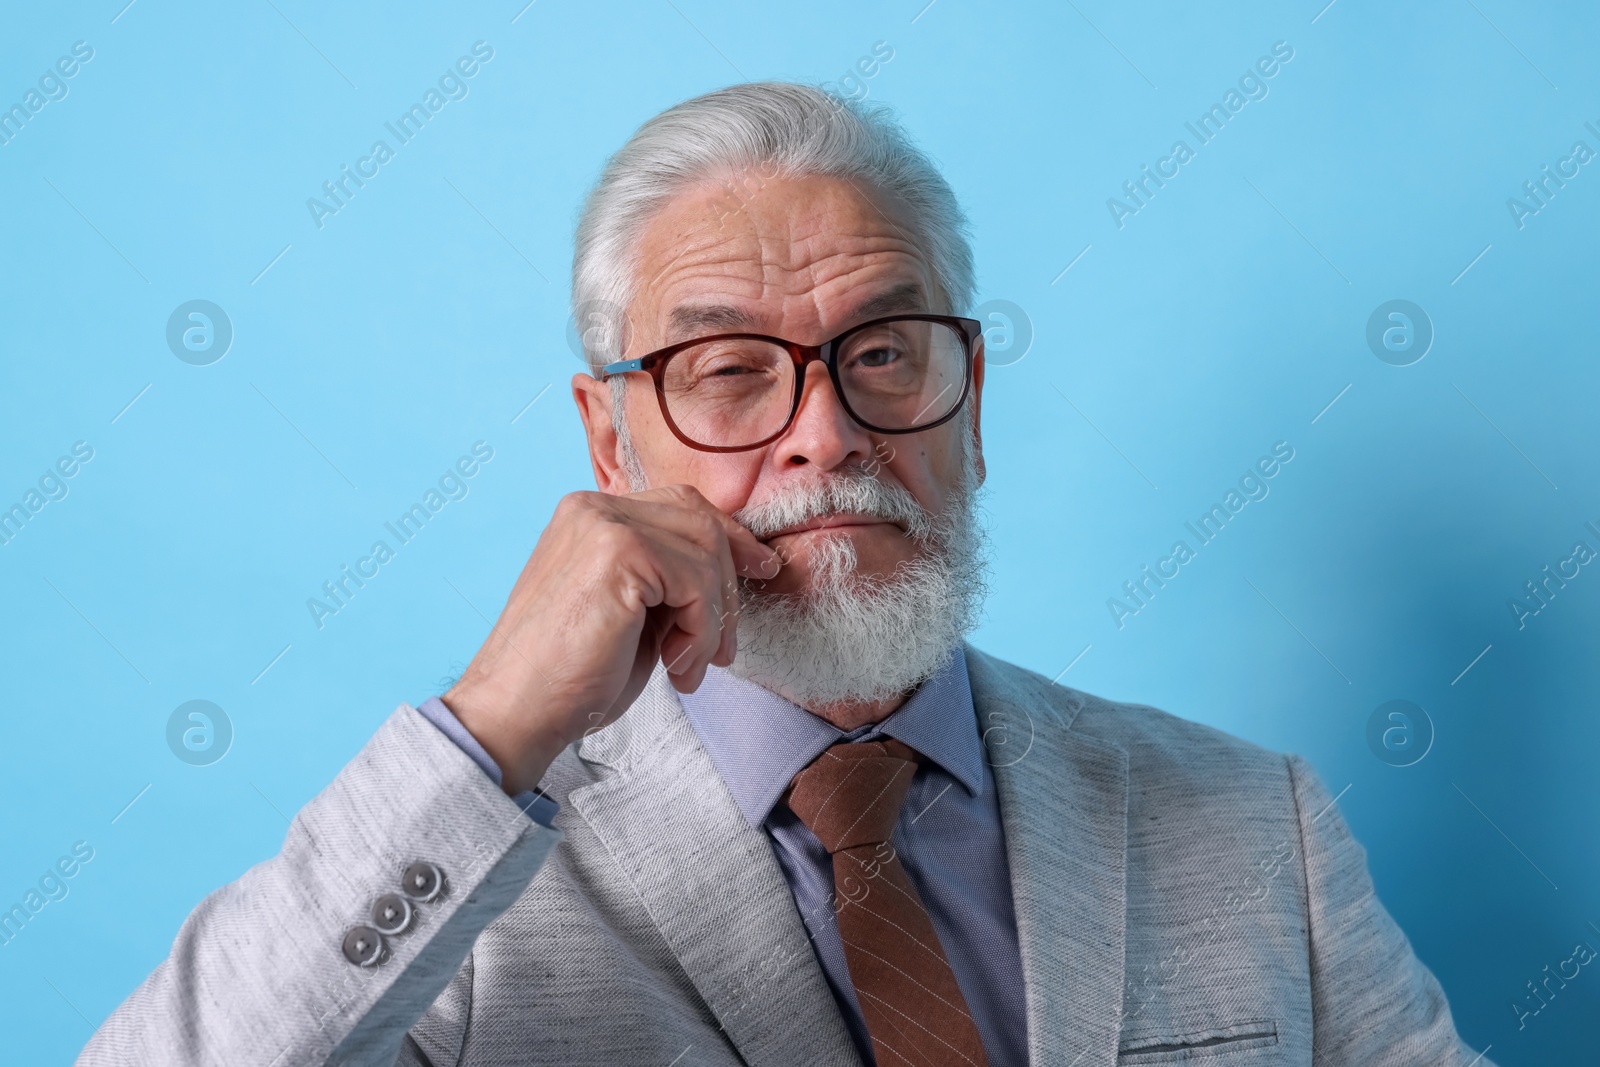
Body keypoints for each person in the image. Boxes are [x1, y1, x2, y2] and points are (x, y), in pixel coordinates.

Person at [78, 82, 1491, 1067]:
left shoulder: (1258, 827)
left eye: (883, 354)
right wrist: (495, 725)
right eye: (726, 374)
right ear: (609, 441)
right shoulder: (454, 891)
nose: (825, 435)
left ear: (972, 400)